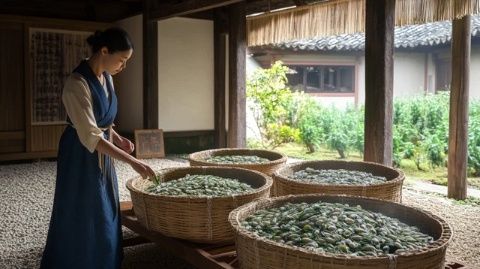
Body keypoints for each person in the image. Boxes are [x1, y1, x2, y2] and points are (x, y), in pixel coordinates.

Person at [40, 27, 156, 269]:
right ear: (104, 51)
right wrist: (132, 160)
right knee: (82, 206)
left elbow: (103, 122)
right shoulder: (76, 83)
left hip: (102, 151)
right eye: (122, 60)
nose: (123, 66)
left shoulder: (108, 78)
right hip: (80, 153)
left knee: (105, 204)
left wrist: (117, 137)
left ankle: (105, 259)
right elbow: (90, 134)